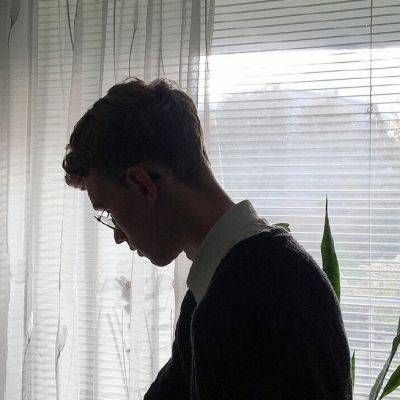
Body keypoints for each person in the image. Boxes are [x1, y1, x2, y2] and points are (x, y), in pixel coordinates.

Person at [62, 78, 352, 399]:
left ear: (142, 185)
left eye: (111, 212)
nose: (118, 236)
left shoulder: (243, 299)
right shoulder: (222, 287)